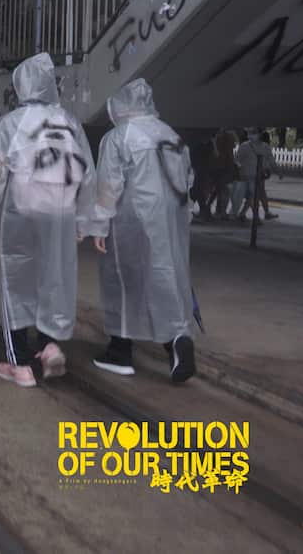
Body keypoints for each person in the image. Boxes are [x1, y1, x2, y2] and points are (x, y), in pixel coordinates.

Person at [0, 53, 96, 388]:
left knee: (14, 284)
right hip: (61, 214)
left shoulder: (10, 124)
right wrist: (85, 221)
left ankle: (20, 365)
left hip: (20, 215)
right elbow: (88, 174)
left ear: (21, 86)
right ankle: (49, 345)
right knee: (51, 280)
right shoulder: (70, 122)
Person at [84, 79, 196, 383]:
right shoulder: (170, 134)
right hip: (171, 217)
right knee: (165, 275)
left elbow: (108, 186)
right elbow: (188, 178)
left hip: (131, 219)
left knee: (122, 280)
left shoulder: (118, 137)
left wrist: (99, 224)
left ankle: (120, 351)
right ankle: (177, 339)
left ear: (120, 105)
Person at [231, 130, 276, 223]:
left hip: (255, 176)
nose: (251, 135)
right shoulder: (245, 146)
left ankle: (249, 215)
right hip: (246, 176)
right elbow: (237, 160)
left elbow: (269, 160)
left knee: (252, 197)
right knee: (252, 197)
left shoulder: (264, 147)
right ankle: (252, 216)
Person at [257, 131, 281, 220]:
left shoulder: (252, 145)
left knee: (259, 193)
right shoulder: (266, 147)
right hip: (261, 172)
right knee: (258, 194)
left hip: (251, 171)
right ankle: (263, 214)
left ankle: (266, 212)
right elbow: (271, 161)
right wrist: (279, 172)